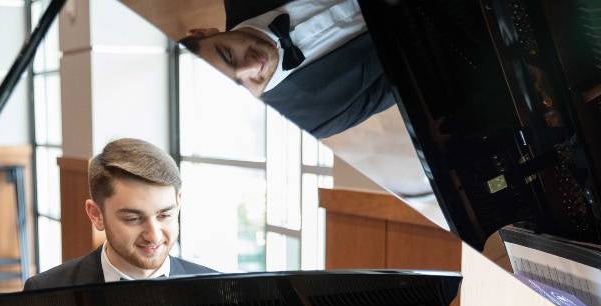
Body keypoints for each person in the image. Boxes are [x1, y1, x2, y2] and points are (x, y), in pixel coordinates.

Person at [179, 0, 395, 139]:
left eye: (228, 55)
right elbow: (403, 84)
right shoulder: (309, 123)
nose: (254, 66)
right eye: (241, 88)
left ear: (203, 33)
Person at [24, 138, 214, 290]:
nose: (153, 236)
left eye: (164, 215)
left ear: (178, 202)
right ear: (96, 215)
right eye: (133, 219)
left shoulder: (213, 289)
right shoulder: (45, 291)